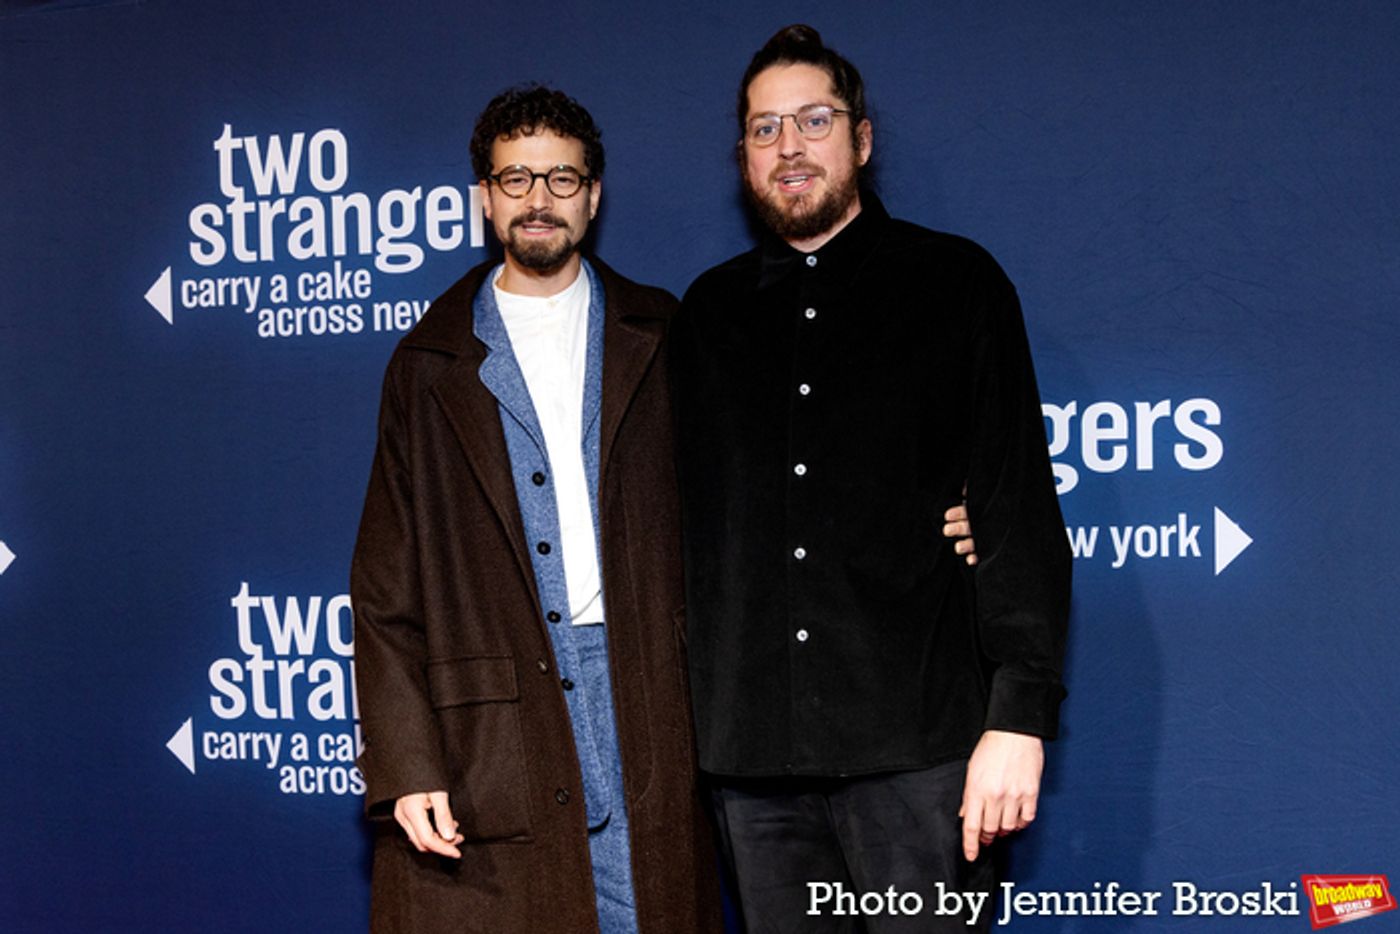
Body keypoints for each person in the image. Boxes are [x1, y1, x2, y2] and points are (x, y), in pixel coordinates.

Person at [671, 25, 1071, 933]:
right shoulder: (706, 317)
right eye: (765, 128)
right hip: (754, 767)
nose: (790, 146)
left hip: (921, 755)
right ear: (743, 156)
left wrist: (1019, 717)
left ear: (861, 137)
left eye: (814, 120)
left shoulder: (957, 284)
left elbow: (1016, 511)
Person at [350, 85, 721, 934]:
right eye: (515, 179)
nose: (538, 200)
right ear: (484, 198)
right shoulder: (428, 362)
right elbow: (384, 586)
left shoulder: (666, 332)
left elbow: (754, 494)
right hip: (493, 721)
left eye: (561, 178)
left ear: (593, 195)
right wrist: (407, 762)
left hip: (650, 693)